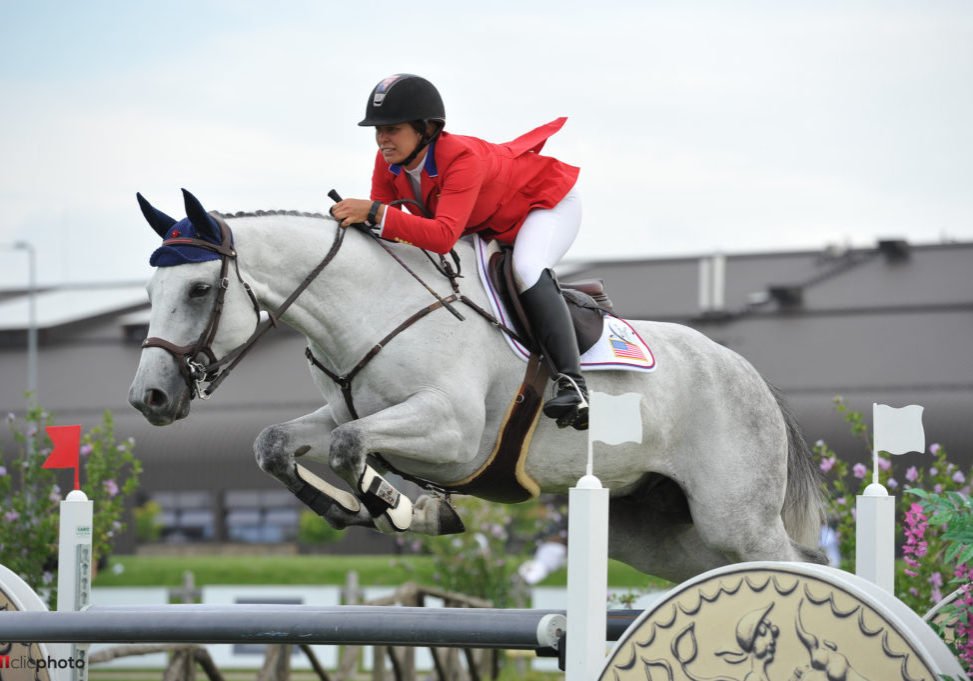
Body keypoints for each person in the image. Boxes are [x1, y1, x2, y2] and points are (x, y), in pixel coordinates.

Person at [331, 73, 589, 429]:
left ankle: (573, 381)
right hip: (485, 223)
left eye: (393, 129)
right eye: (378, 130)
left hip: (545, 204)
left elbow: (440, 237)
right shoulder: (388, 162)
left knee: (528, 268)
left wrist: (374, 213)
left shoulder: (461, 157)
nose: (382, 139)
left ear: (425, 129)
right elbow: (388, 234)